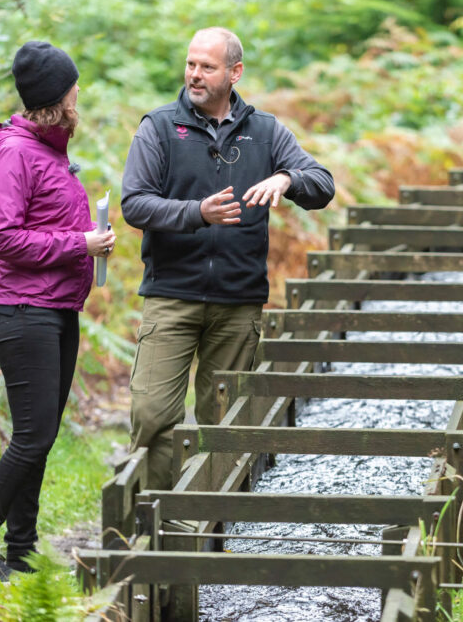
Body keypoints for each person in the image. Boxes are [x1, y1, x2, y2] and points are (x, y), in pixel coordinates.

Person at [121, 27, 334, 490]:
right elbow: (134, 204)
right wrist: (197, 213)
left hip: (238, 304)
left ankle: (209, 532)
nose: (194, 75)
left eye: (207, 67)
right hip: (171, 296)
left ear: (235, 73)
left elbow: (323, 184)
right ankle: (153, 522)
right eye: (191, 64)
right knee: (153, 414)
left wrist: (287, 180)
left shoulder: (266, 131)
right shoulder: (159, 127)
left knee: (225, 426)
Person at [0, 41, 117, 587]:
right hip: (24, 312)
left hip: (56, 309)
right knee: (32, 436)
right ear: (59, 96)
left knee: (41, 434)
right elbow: (3, 238)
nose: (79, 94)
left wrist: (89, 241)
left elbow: (46, 224)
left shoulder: (49, 148)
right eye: (74, 86)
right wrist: (80, 244)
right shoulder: (18, 151)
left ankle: (19, 549)